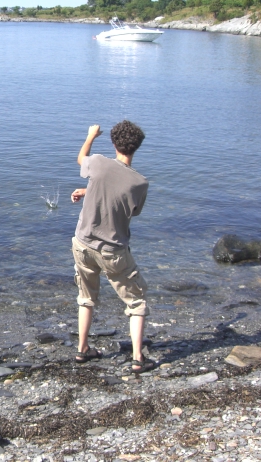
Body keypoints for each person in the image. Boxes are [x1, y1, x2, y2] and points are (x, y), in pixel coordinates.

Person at [70, 120, 155, 374]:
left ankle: (82, 349)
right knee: (136, 301)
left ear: (113, 142)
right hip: (113, 251)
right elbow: (131, 209)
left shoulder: (98, 163)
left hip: (82, 243)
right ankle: (138, 358)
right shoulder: (139, 183)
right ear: (137, 147)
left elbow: (81, 159)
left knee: (86, 298)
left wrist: (90, 136)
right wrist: (89, 191)